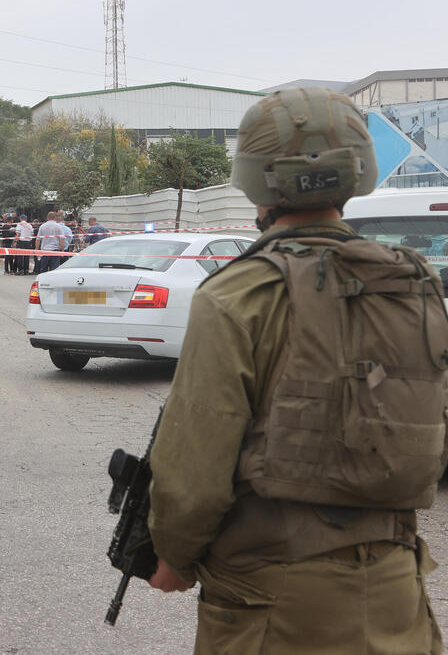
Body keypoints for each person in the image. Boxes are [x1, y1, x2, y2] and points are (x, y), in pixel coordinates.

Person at [146, 87, 447, 653]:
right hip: (395, 592)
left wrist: (174, 556)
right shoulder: (416, 284)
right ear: (360, 173)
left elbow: (195, 469)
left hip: (271, 603)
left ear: (254, 181)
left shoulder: (237, 294)